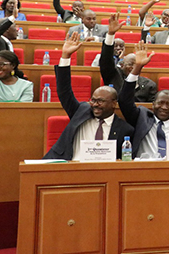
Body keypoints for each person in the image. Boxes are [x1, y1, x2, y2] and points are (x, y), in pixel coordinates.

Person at [43, 32, 133, 160]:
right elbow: (64, 92)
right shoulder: (81, 112)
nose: (95, 104)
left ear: (114, 103)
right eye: (93, 100)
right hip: (70, 166)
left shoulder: (125, 129)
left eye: (101, 101)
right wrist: (65, 56)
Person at [118, 41, 169, 159]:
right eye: (160, 103)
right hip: (142, 170)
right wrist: (137, 68)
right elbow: (124, 101)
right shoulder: (141, 118)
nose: (164, 107)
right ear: (153, 104)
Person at [100, 14, 157, 102]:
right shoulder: (113, 76)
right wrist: (111, 34)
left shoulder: (149, 85)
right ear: (122, 65)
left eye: (135, 64)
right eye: (130, 64)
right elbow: (106, 60)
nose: (131, 67)